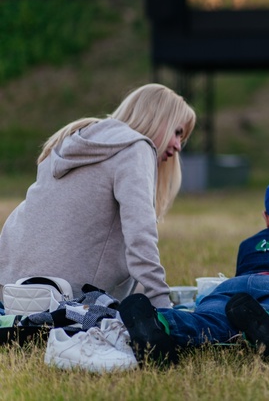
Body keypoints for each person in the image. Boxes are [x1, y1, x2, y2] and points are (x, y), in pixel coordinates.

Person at [0, 83, 196, 308]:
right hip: (60, 298)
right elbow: (141, 239)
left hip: (9, 286)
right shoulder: (135, 148)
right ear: (157, 118)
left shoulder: (74, 138)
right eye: (177, 132)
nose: (178, 145)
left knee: (137, 292)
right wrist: (163, 307)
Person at [119, 172, 269, 365]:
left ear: (266, 219)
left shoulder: (248, 244)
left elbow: (240, 291)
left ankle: (161, 321)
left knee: (210, 319)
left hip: (234, 287)